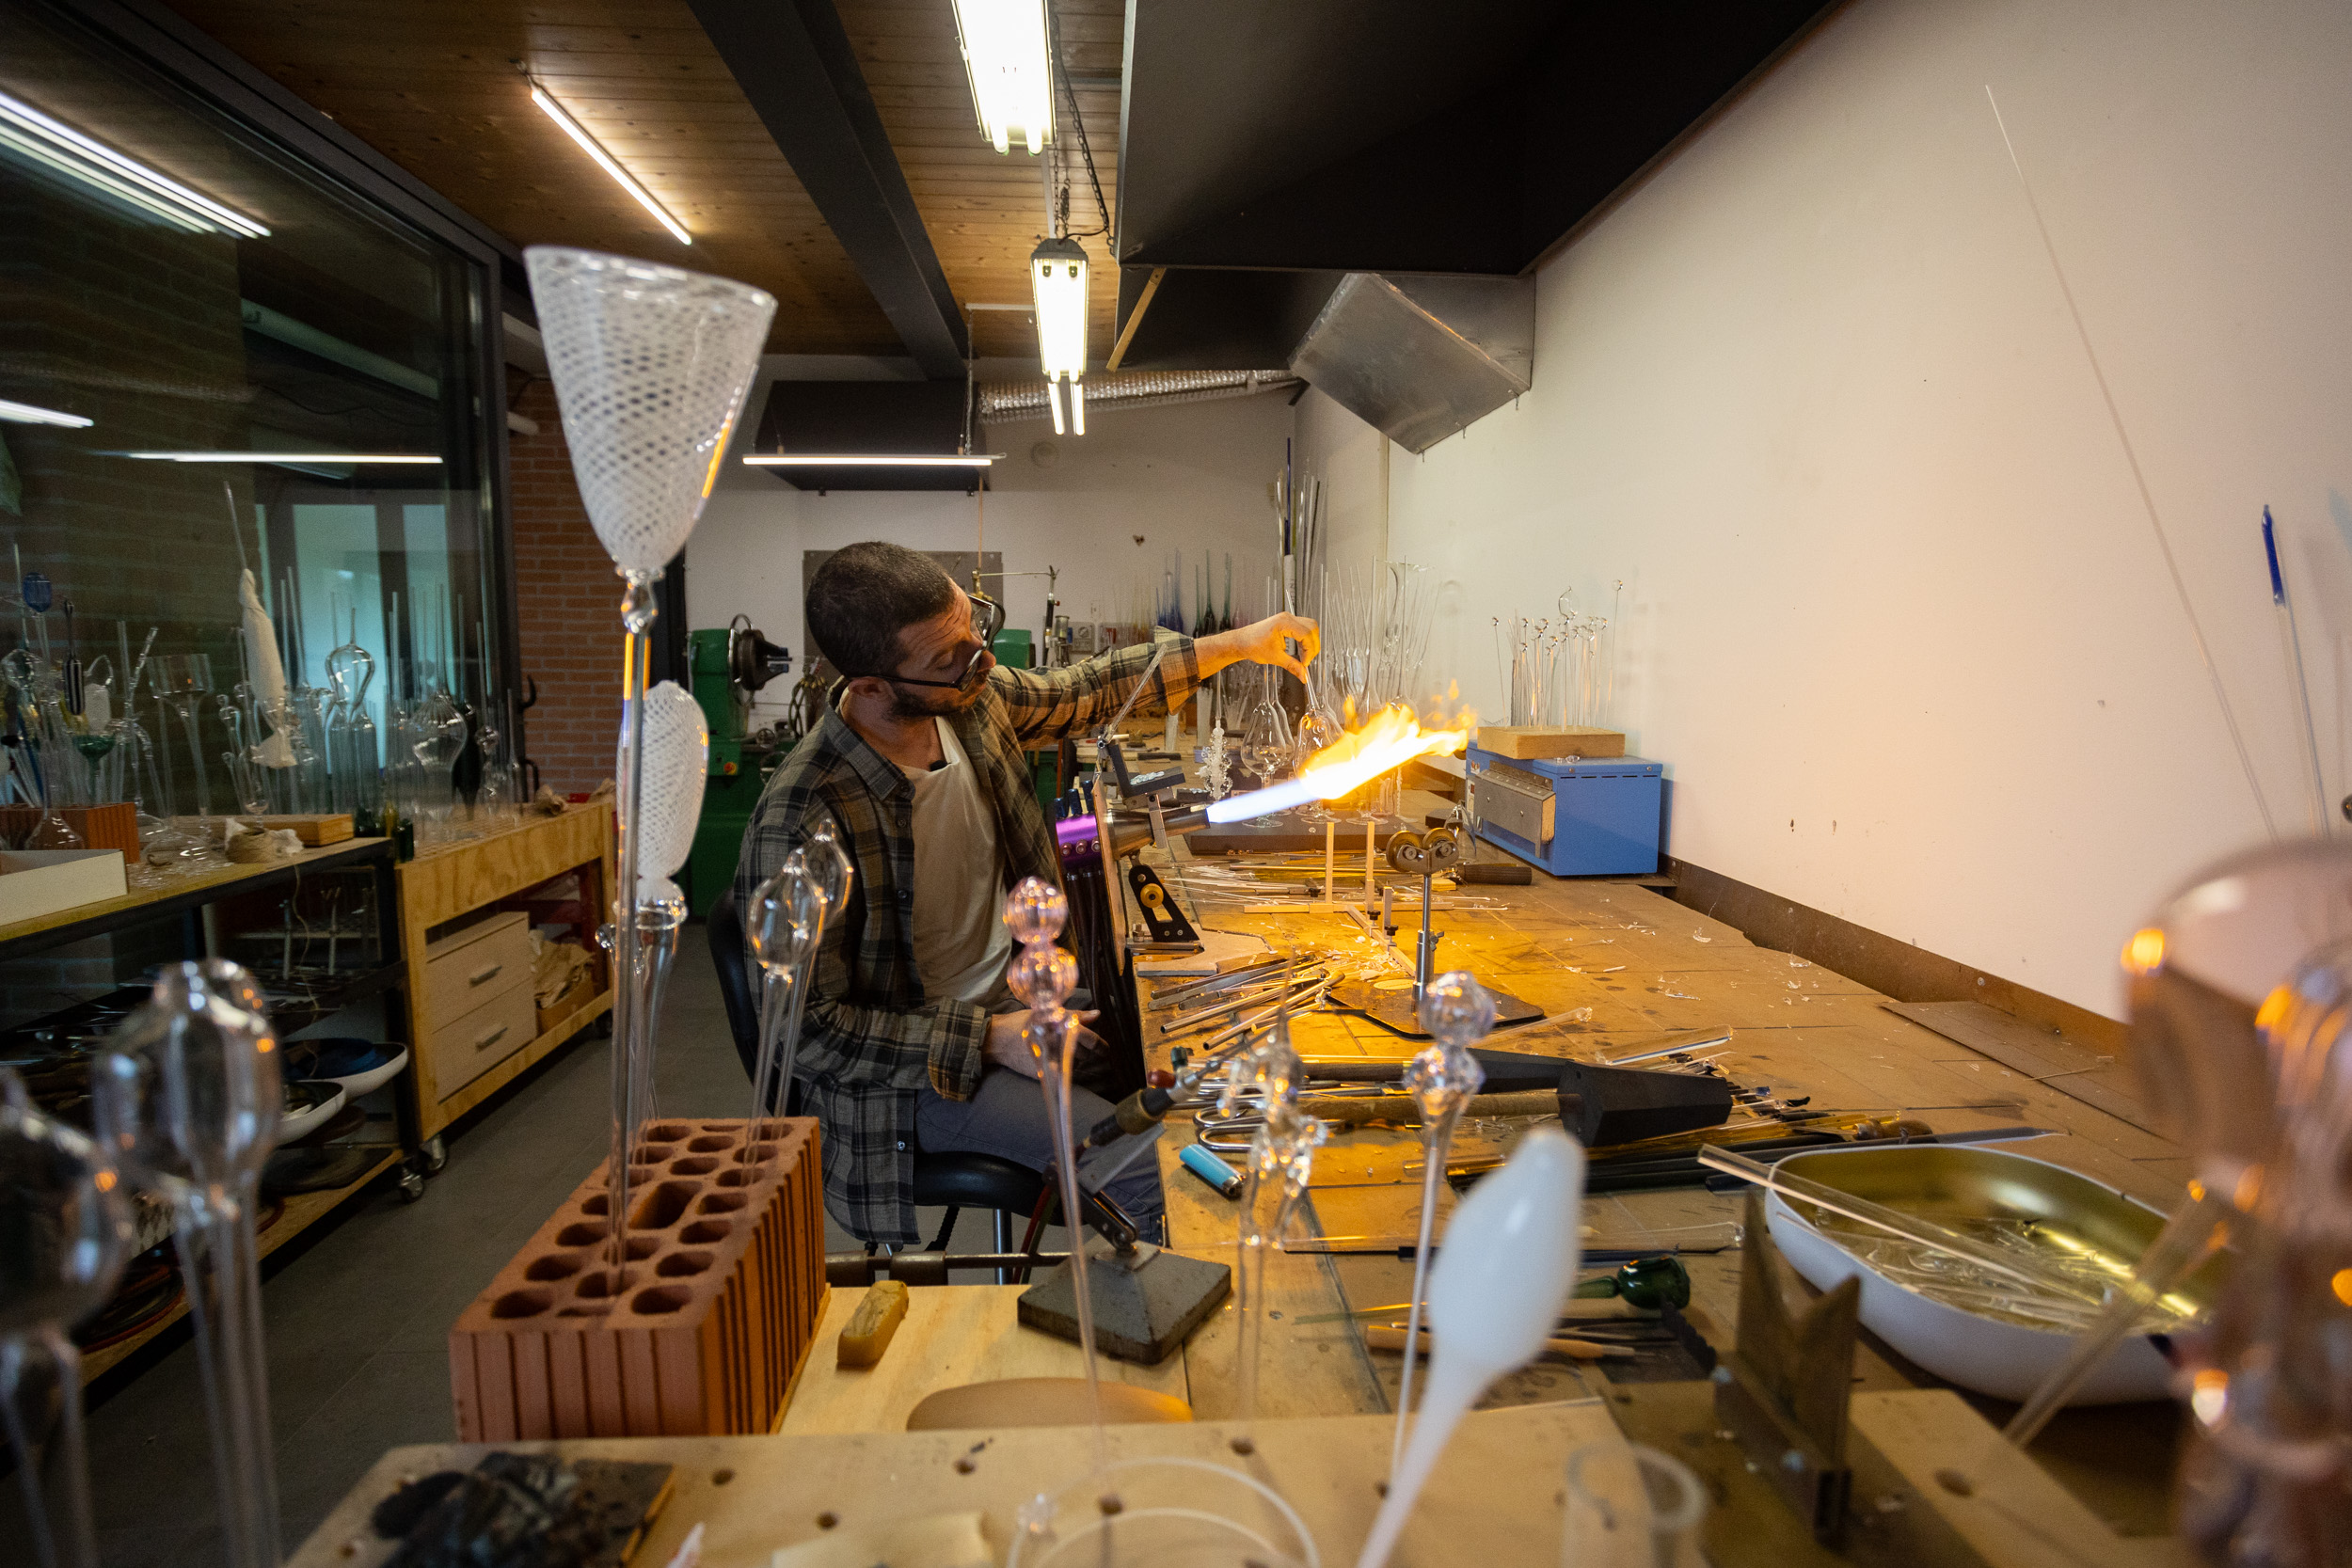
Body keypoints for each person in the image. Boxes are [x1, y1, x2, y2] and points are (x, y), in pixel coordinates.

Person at [733, 541, 1317, 1248]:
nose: (979, 659)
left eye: (973, 627)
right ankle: (1164, 1338)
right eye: (949, 656)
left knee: (1197, 1076)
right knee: (1150, 1171)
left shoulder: (969, 702)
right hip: (914, 1078)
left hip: (1023, 999)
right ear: (871, 685)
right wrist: (985, 1040)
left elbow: (1089, 688)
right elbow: (806, 1031)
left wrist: (1241, 644)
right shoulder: (804, 814)